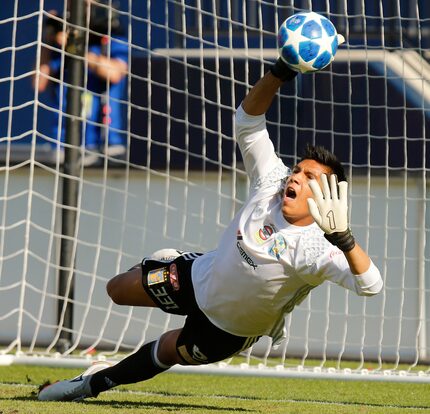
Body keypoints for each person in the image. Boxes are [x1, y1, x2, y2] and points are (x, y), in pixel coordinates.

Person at [38, 55, 383, 402]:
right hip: (197, 278)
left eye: (309, 177)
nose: (295, 176)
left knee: (169, 351)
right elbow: (248, 120)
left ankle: (93, 383)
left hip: (231, 329)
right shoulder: (272, 182)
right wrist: (281, 71)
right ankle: (173, 262)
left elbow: (371, 286)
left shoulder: (318, 249)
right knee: (116, 290)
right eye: (297, 169)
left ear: (326, 195)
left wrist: (345, 239)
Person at [35, 1, 129, 166]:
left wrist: (73, 46)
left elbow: (115, 73)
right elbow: (38, 83)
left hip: (103, 146)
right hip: (62, 144)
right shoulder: (62, 38)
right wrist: (48, 39)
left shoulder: (111, 34)